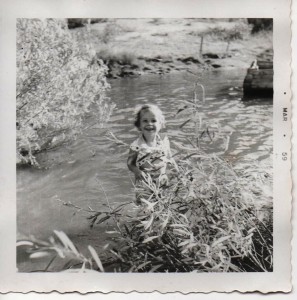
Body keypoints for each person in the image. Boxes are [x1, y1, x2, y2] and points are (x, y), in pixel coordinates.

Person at [127, 104, 178, 203]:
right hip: (145, 184)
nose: (149, 123)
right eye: (145, 121)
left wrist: (178, 173)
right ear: (139, 125)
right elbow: (130, 164)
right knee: (145, 210)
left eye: (153, 120)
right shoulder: (136, 145)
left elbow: (170, 158)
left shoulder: (164, 140)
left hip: (162, 181)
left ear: (160, 123)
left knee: (164, 207)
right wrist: (138, 172)